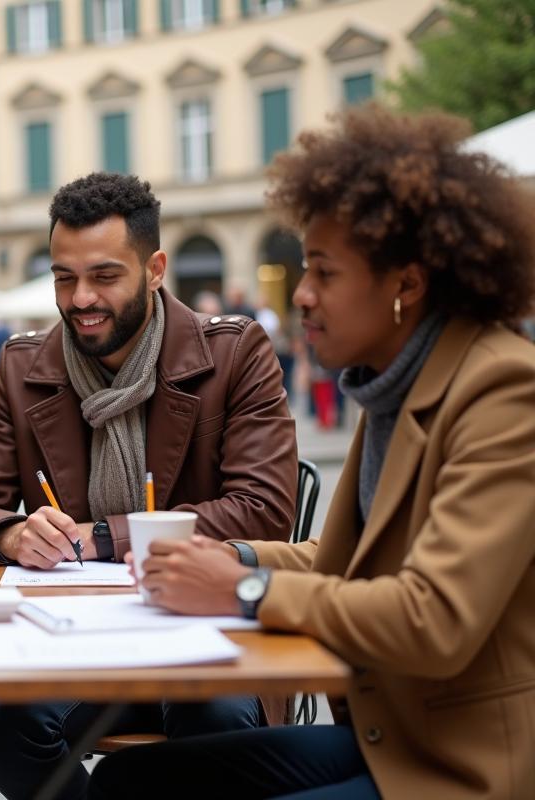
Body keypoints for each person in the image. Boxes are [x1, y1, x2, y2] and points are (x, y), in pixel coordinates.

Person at [90, 105, 535, 800]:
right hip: (393, 736)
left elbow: (436, 618)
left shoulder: (503, 387)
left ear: (407, 284)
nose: (300, 295)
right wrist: (232, 558)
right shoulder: (401, 379)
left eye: (323, 273)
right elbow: (353, 561)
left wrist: (243, 589)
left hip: (468, 765)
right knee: (127, 780)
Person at [0, 172, 298, 800]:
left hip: (204, 625)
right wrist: (11, 530)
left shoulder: (236, 351)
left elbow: (263, 512)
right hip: (73, 636)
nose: (80, 298)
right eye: (63, 277)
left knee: (215, 721)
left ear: (156, 268)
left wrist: (102, 537)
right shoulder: (24, 366)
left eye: (104, 276)